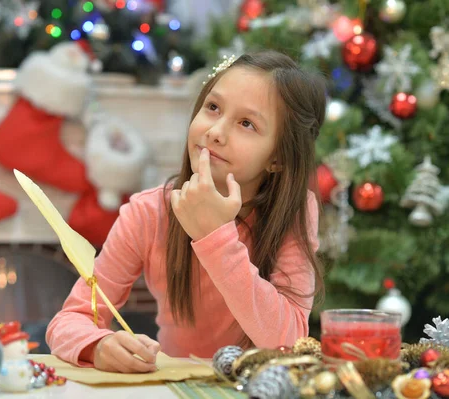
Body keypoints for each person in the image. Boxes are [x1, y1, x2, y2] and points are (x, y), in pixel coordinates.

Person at [46, 50, 327, 373]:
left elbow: (287, 343)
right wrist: (98, 345)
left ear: (277, 158)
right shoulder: (149, 212)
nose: (215, 131)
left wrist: (215, 237)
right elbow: (69, 320)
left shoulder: (295, 212)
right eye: (213, 107)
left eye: (246, 123)